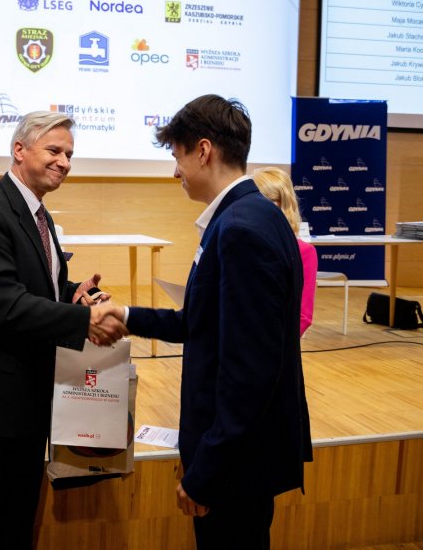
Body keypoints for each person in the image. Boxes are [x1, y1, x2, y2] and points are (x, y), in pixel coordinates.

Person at [107, 95, 312, 549]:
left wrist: (207, 471)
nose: (174, 172)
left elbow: (249, 374)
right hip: (240, 457)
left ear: (203, 151)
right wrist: (124, 315)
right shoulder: (251, 215)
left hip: (236, 465)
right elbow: (198, 323)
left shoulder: (240, 229)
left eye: (177, 156)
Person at [0, 110, 126, 548]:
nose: (65, 162)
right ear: (19, 150)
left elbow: (37, 287)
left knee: (16, 528)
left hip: (24, 404)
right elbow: (3, 304)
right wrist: (85, 320)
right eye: (54, 150)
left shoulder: (37, 214)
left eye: (70, 154)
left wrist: (74, 295)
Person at [253, 166, 318, 336]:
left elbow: (303, 316)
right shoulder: (241, 243)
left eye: (268, 200)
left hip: (276, 343)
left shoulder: (304, 252)